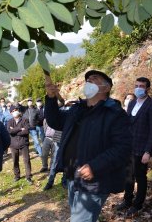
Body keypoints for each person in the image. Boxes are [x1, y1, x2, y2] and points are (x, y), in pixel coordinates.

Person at [44, 70, 132, 222]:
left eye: (94, 78)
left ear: (106, 88)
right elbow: (55, 121)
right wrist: (51, 99)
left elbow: (122, 148)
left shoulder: (115, 114)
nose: (88, 81)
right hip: (72, 176)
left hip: (95, 180)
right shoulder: (77, 109)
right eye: (87, 79)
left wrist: (95, 166)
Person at [116, 77, 152, 216]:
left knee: (140, 178)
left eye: (141, 86)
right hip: (129, 147)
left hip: (142, 149)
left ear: (148, 89)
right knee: (128, 176)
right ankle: (127, 200)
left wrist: (148, 151)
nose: (138, 88)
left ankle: (138, 204)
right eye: (136, 85)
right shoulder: (131, 103)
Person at [7, 106, 33, 185]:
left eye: (16, 110)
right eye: (13, 111)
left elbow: (26, 131)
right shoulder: (10, 121)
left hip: (23, 143)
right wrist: (20, 128)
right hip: (13, 144)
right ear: (11, 113)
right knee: (15, 160)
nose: (15, 111)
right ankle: (17, 176)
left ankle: (28, 176)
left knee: (26, 160)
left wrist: (14, 130)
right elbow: (9, 131)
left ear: (18, 111)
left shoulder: (25, 120)